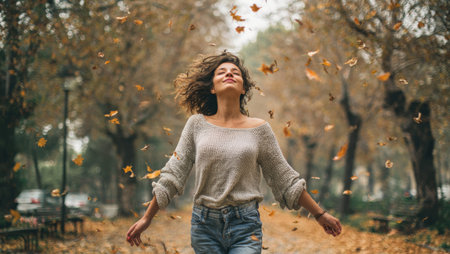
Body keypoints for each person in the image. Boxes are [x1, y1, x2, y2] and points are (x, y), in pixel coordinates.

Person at [126, 51, 342, 253]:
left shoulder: (260, 130)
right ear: (212, 87)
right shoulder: (196, 125)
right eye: (222, 72)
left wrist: (320, 214)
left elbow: (286, 179)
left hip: (246, 226)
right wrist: (147, 218)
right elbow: (173, 174)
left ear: (243, 89)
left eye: (235, 73)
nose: (229, 73)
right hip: (204, 226)